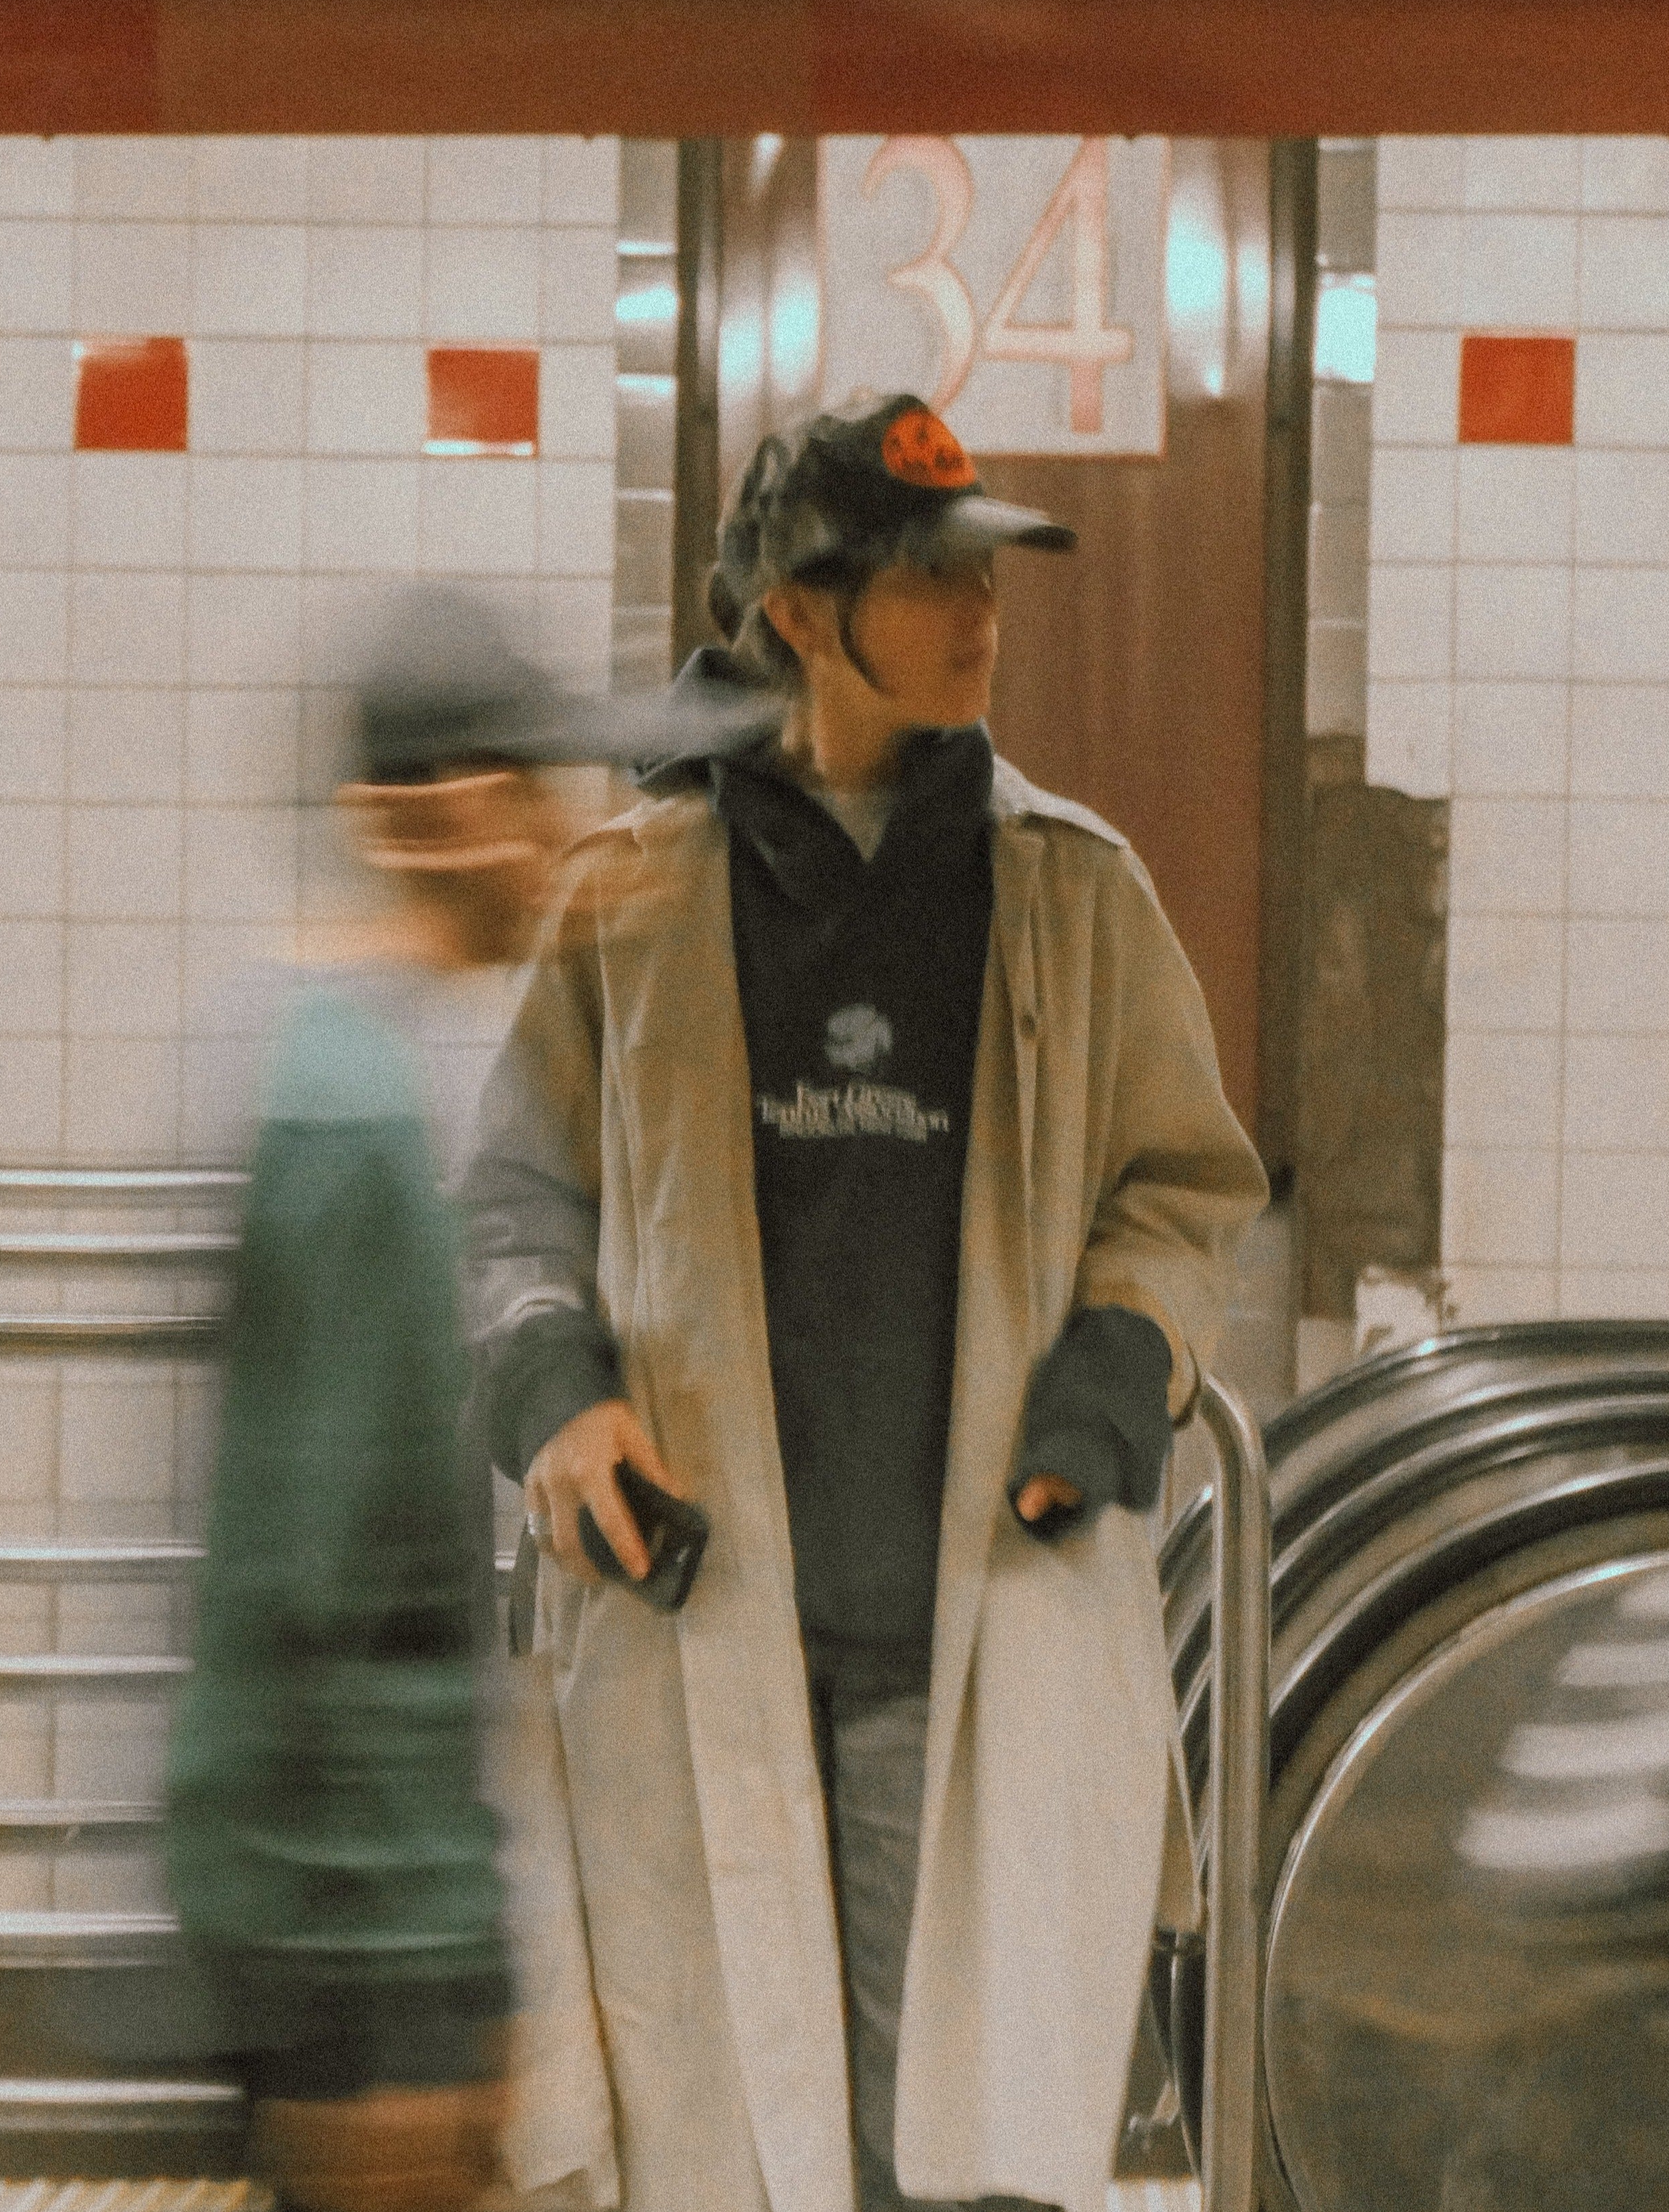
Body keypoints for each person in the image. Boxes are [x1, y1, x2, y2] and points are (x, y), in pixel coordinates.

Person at [462, 395, 1268, 2212]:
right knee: (719, 2144)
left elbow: (1182, 1184)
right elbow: (514, 1197)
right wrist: (555, 1393)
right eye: (925, 576)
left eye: (983, 573)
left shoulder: (1070, 888)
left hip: (963, 1621)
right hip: (697, 1616)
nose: (980, 611)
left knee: (939, 2145)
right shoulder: (633, 891)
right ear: (803, 614)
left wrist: (1114, 1369)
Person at [163, 589, 761, 2212]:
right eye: (539, 797)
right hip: (353, 1901)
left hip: (335, 1878)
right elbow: (342, 1584)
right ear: (447, 815)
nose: (567, 839)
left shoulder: (330, 1052)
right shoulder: (352, 1110)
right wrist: (435, 1931)